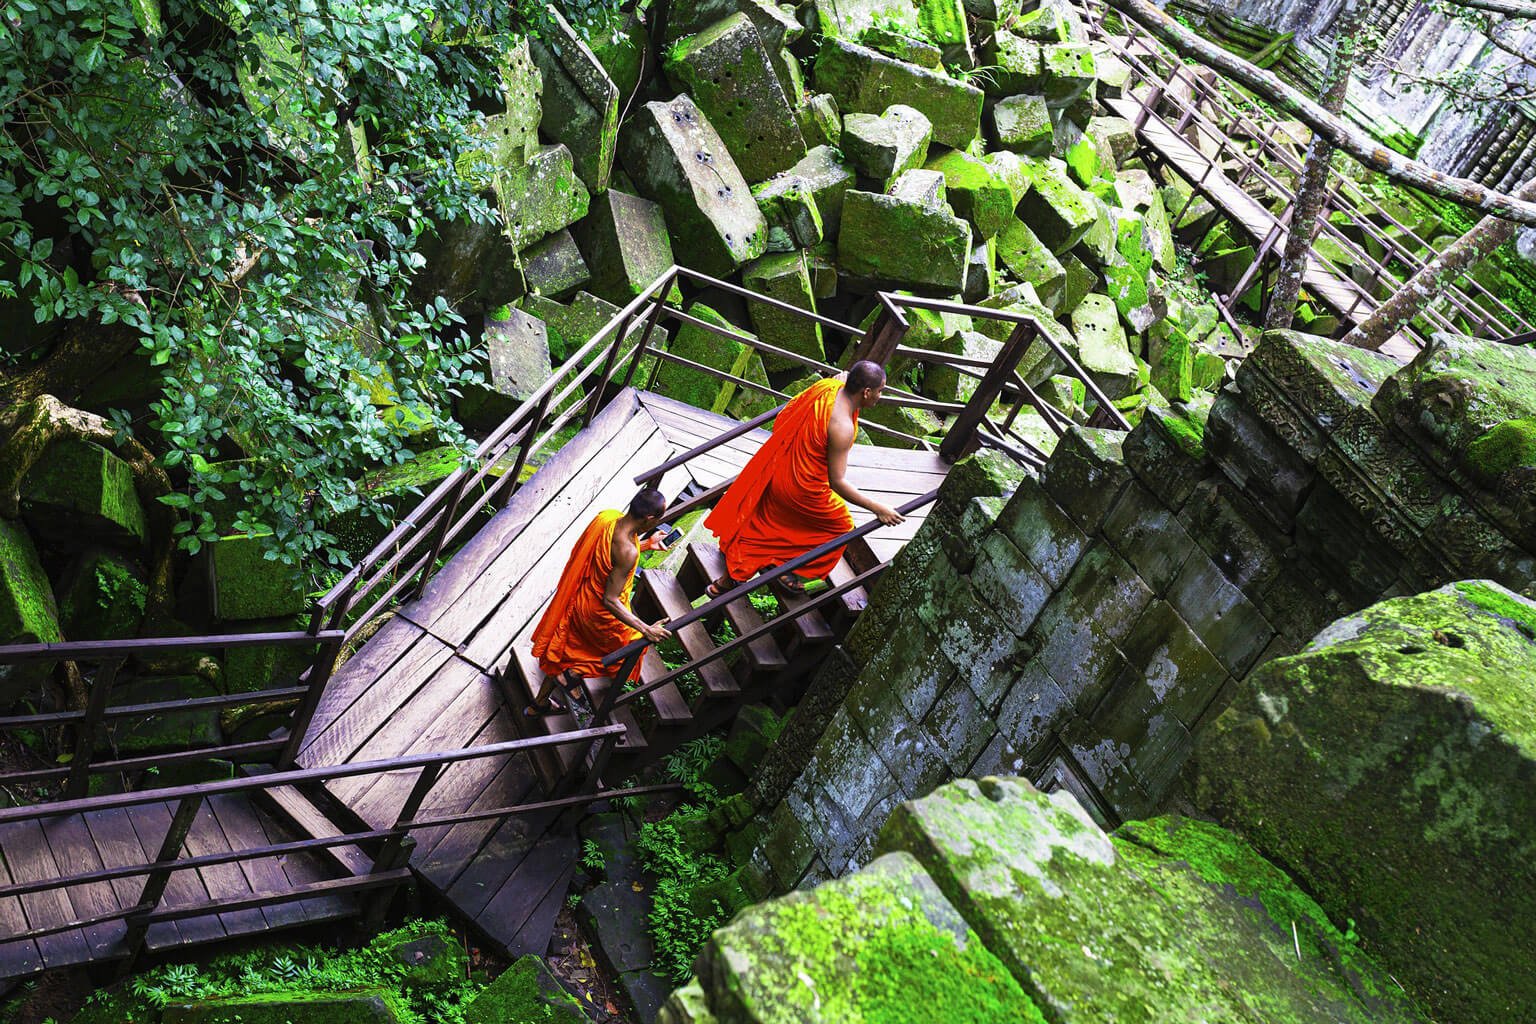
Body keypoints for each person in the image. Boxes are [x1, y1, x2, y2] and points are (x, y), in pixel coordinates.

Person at [703, 360, 905, 597]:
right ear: (866, 392)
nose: (881, 396)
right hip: (801, 487)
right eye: (881, 390)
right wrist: (877, 507)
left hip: (780, 467)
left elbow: (786, 415)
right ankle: (790, 573)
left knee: (765, 522)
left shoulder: (827, 388)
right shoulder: (842, 427)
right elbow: (837, 482)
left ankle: (725, 581)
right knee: (841, 526)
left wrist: (838, 381)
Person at [526, 488, 673, 716]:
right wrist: (646, 628)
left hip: (581, 597)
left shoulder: (607, 517)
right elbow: (611, 600)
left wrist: (645, 545)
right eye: (659, 518)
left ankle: (538, 705)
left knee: (566, 652)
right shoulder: (628, 551)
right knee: (630, 647)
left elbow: (610, 556)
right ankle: (571, 676)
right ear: (650, 519)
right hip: (598, 615)